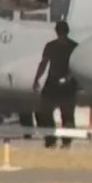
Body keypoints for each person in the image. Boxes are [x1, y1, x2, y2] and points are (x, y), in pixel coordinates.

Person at [32, 20, 79, 149]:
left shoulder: (72, 47)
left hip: (65, 84)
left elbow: (43, 64)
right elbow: (44, 63)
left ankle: (63, 141)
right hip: (54, 83)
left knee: (66, 115)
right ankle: (52, 139)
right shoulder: (56, 46)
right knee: (47, 112)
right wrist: (37, 79)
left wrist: (37, 79)